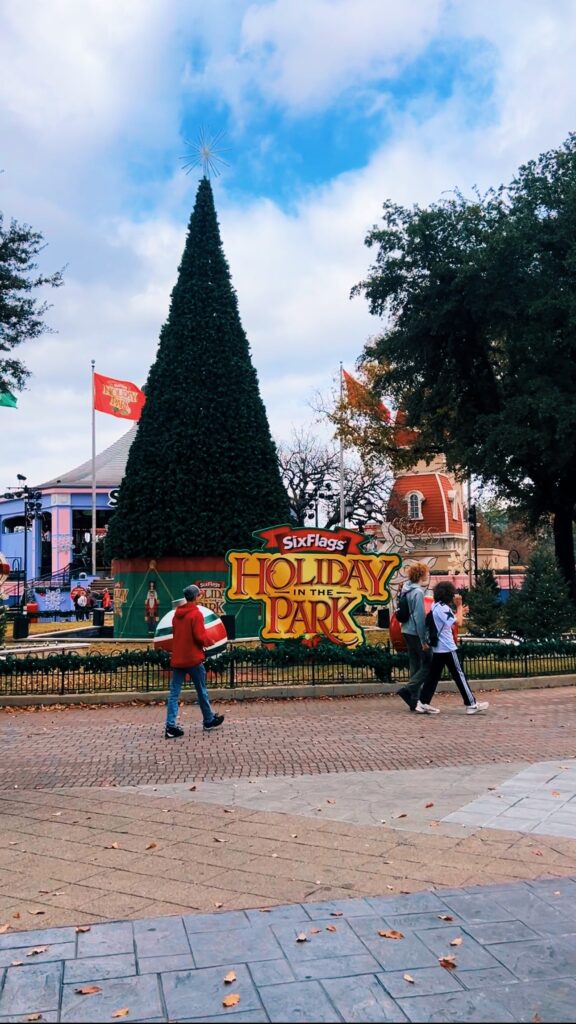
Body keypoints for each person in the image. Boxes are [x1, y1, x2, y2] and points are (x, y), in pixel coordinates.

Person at [416, 581, 489, 716]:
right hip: (448, 648)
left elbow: (451, 619)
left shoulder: (435, 606)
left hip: (439, 648)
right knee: (459, 675)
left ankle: (423, 702)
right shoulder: (444, 608)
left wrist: (460, 611)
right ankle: (471, 704)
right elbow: (458, 623)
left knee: (433, 676)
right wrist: (459, 606)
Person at [165, 584, 224, 739]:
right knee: (201, 691)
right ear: (196, 597)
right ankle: (208, 720)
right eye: (199, 595)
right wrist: (210, 641)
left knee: (174, 694)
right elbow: (199, 636)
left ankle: (170, 726)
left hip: (178, 658)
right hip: (193, 658)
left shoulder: (176, 615)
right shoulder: (196, 614)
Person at [396, 563, 431, 711]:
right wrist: (424, 640)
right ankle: (408, 690)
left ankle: (414, 699)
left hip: (405, 629)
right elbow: (419, 617)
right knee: (429, 664)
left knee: (414, 663)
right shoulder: (418, 592)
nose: (427, 576)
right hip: (415, 632)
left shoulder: (405, 589)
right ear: (421, 575)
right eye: (426, 573)